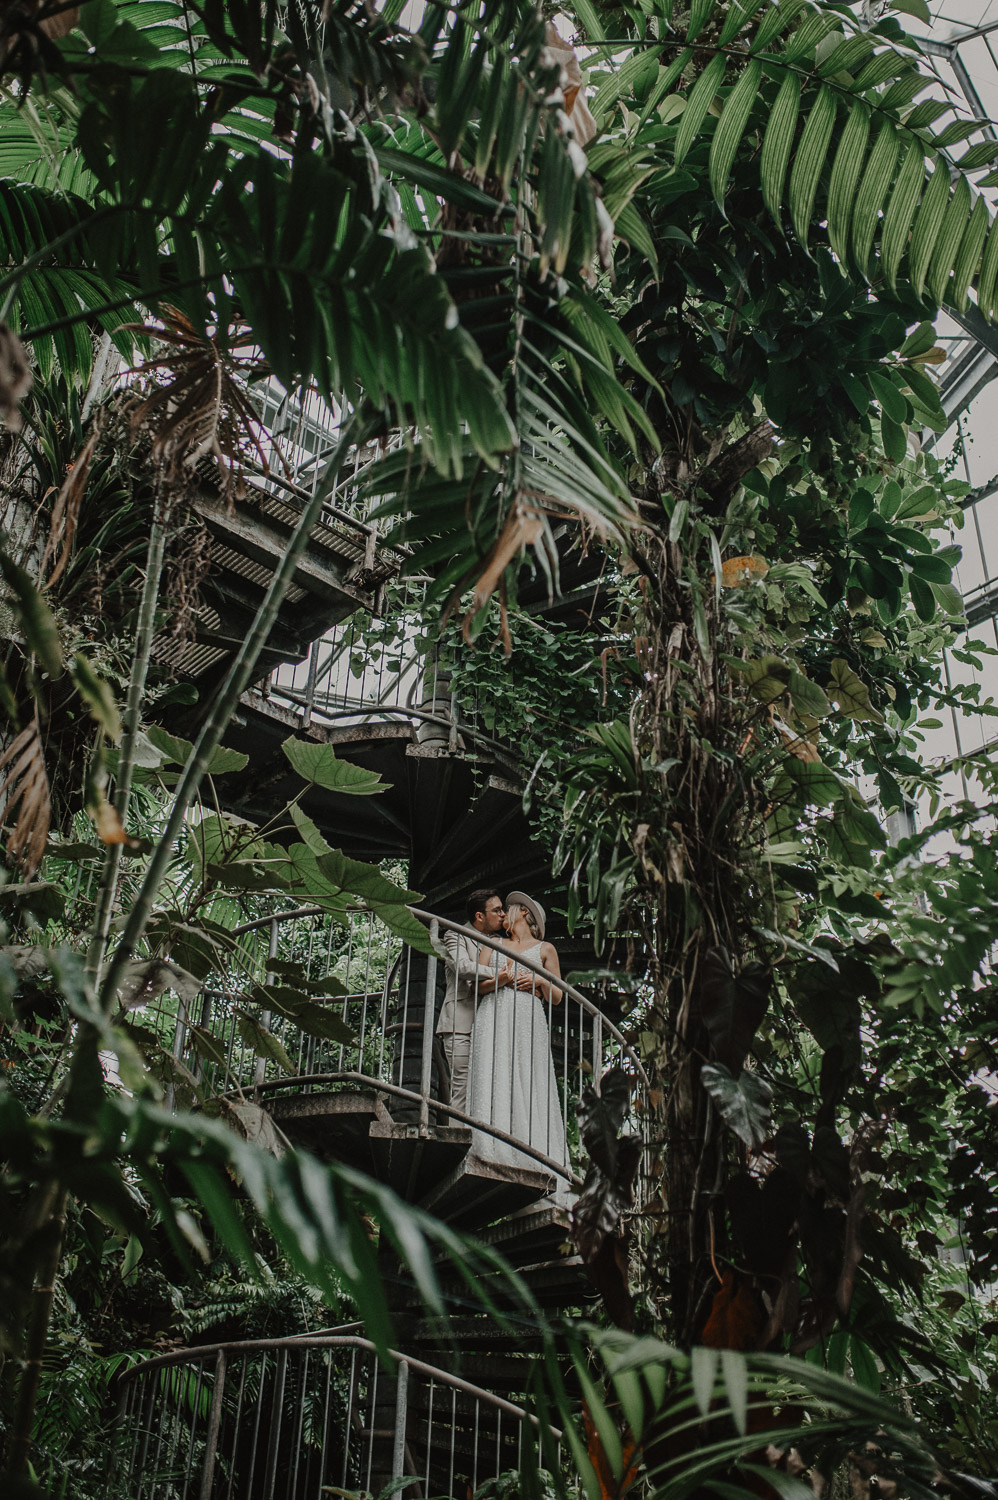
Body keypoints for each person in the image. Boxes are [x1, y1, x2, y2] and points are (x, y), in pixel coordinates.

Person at [466, 890, 571, 1199]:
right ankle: (491, 1147)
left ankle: (534, 1153)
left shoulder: (545, 949)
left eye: (508, 910)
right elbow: (478, 985)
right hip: (495, 1012)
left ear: (524, 913)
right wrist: (502, 979)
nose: (503, 915)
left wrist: (539, 981)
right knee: (494, 1071)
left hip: (528, 1018)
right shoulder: (493, 944)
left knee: (528, 1078)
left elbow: (558, 995)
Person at [436, 888, 505, 1113]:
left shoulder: (500, 942)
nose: (503, 914)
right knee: (462, 1086)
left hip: (489, 1022)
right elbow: (462, 967)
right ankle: (458, 1145)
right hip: (460, 1021)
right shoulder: (455, 934)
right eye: (497, 910)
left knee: (490, 1088)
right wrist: (498, 972)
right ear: (479, 916)